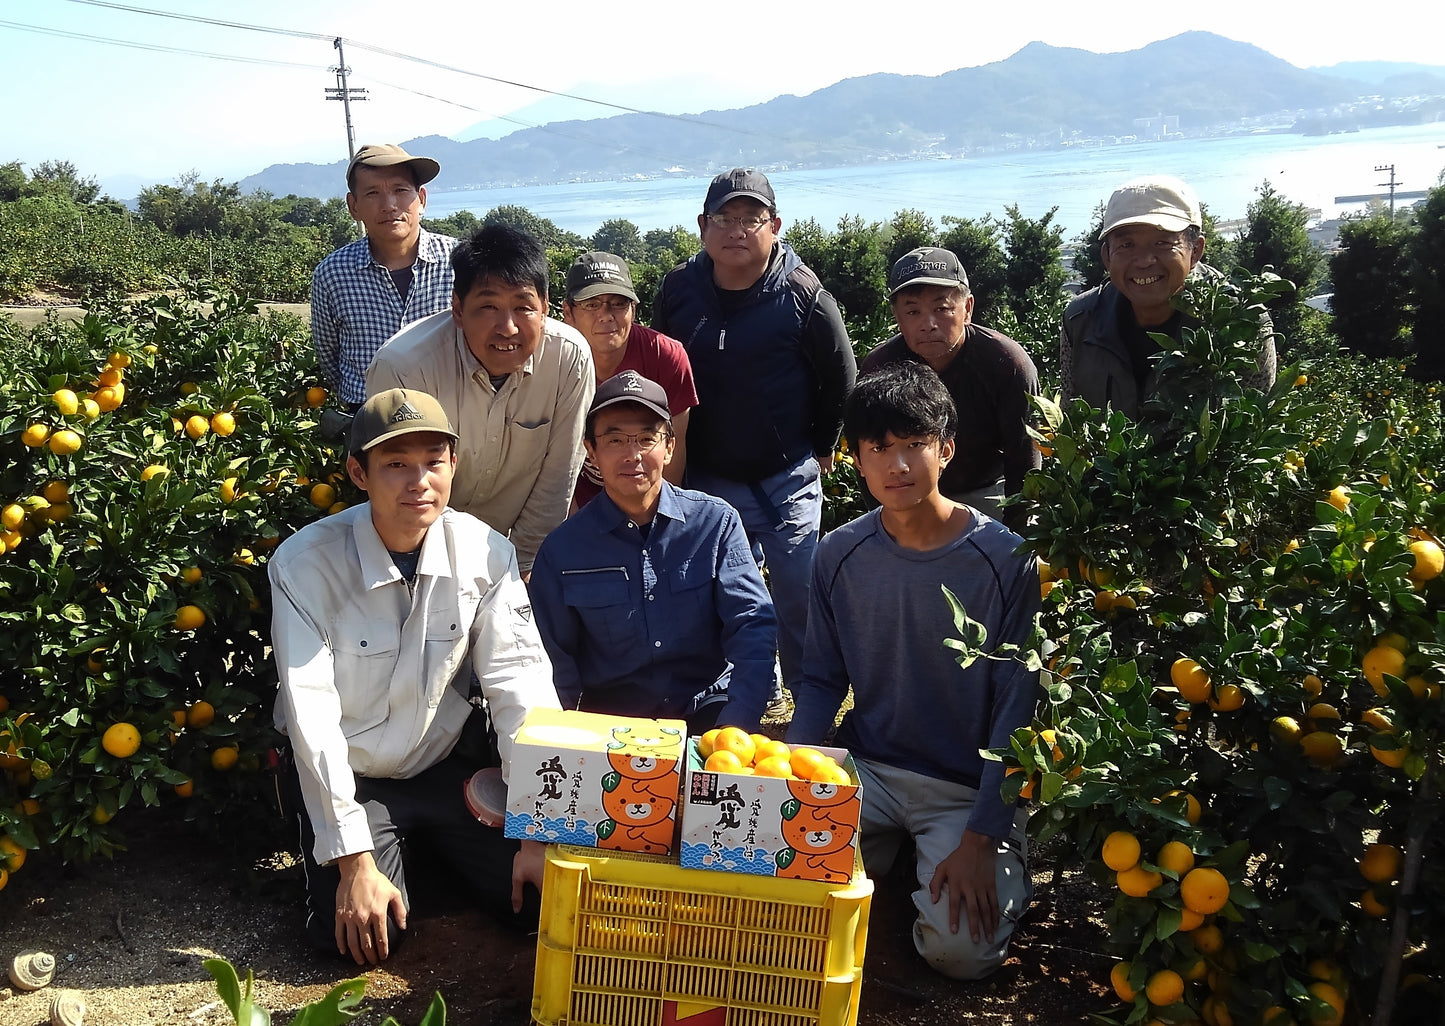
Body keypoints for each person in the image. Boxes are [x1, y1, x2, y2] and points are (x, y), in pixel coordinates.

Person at [269, 387, 560, 965]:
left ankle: (426, 852)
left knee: (534, 903)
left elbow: (520, 686)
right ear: (358, 472)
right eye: (396, 464)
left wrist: (538, 827)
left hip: (440, 760)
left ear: (455, 464)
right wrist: (351, 861)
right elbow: (312, 715)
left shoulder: (486, 554)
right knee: (360, 940)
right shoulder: (305, 565)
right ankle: (384, 853)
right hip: (356, 773)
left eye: (434, 461)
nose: (418, 480)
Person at [786, 361, 1041, 980]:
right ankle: (902, 856)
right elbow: (821, 679)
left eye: (913, 446)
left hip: (964, 786)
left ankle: (978, 859)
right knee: (776, 892)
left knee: (961, 954)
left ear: (946, 449)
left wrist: (983, 834)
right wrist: (792, 777)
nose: (897, 466)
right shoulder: (839, 553)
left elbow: (1019, 704)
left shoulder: (1005, 559)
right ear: (856, 460)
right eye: (878, 449)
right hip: (870, 770)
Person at [652, 168, 856, 716]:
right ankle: (746, 693)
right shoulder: (679, 289)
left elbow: (840, 373)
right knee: (722, 597)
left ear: (775, 226)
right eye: (724, 218)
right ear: (702, 225)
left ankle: (811, 704)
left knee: (797, 594)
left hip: (785, 475)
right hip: (709, 478)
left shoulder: (801, 292)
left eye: (751, 219)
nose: (737, 230)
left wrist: (824, 445)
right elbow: (659, 368)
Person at [530, 371, 777, 733]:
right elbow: (554, 661)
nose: (633, 455)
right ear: (591, 451)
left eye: (647, 438)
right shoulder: (563, 550)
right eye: (615, 440)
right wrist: (560, 737)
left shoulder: (715, 523)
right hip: (614, 723)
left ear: (670, 446)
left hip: (707, 710)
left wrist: (737, 722)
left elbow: (752, 622)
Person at [366, 224, 595, 575]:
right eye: (488, 307)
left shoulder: (568, 359)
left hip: (517, 553)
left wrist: (520, 571)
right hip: (416, 547)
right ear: (457, 308)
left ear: (545, 307)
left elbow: (557, 477)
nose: (508, 328)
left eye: (523, 307)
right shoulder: (405, 368)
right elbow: (402, 489)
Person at [1061, 174, 1277, 416]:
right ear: (1107, 257)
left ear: (1195, 250)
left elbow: (1254, 427)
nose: (1143, 261)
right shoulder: (1081, 320)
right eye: (1127, 245)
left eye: (1163, 243)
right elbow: (1073, 423)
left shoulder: (1241, 321)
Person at [861, 247, 1039, 525]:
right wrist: (885, 519)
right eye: (913, 311)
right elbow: (869, 450)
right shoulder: (881, 367)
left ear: (967, 308)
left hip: (988, 492)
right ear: (896, 316)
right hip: (907, 493)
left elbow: (1024, 456)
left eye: (942, 309)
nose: (928, 324)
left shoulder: (1006, 363)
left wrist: (1016, 534)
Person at [310, 144, 458, 410]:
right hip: (366, 419)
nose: (389, 205)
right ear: (353, 206)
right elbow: (329, 357)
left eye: (401, 191)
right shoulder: (332, 274)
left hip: (446, 413)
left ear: (421, 199)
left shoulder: (459, 262)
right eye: (372, 193)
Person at [560, 251, 698, 508]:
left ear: (634, 309)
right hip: (573, 503)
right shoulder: (554, 360)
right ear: (568, 311)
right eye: (591, 304)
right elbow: (555, 465)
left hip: (649, 498)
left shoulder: (665, 355)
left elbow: (672, 456)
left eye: (618, 303)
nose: (606, 315)